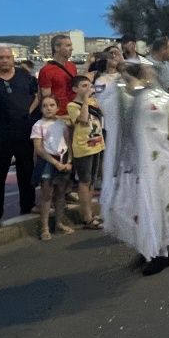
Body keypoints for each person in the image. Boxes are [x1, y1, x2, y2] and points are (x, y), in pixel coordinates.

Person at [100, 64, 169, 276]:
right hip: (132, 164)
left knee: (153, 205)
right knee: (134, 206)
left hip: (154, 164)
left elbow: (155, 113)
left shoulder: (155, 98)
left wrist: (140, 86)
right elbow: (106, 102)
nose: (125, 84)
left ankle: (162, 254)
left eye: (128, 79)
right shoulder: (129, 99)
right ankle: (146, 247)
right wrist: (118, 83)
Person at [0, 44, 40, 224]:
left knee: (27, 171)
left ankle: (28, 205)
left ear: (13, 58)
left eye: (8, 57)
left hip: (24, 132)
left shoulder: (24, 75)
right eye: (0, 57)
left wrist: (28, 111)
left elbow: (37, 95)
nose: (5, 60)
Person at [30, 95, 74, 240]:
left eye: (51, 105)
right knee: (47, 195)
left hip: (63, 160)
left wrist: (69, 161)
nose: (48, 108)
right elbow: (38, 148)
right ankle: (44, 227)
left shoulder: (62, 124)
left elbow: (68, 143)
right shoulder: (38, 125)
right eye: (44, 106)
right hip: (48, 162)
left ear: (57, 107)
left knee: (61, 195)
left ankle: (59, 223)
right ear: (40, 109)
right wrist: (55, 163)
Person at [66, 76, 105, 229]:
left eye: (89, 85)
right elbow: (82, 120)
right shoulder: (72, 105)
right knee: (84, 181)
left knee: (92, 182)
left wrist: (94, 101)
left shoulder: (93, 102)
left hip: (97, 144)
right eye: (83, 86)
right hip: (83, 147)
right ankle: (86, 217)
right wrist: (85, 101)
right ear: (75, 89)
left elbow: (103, 115)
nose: (88, 88)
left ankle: (91, 212)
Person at [38, 34, 78, 116]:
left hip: (74, 112)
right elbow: (47, 99)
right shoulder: (46, 71)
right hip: (59, 115)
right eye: (68, 45)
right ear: (57, 48)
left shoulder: (72, 66)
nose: (72, 48)